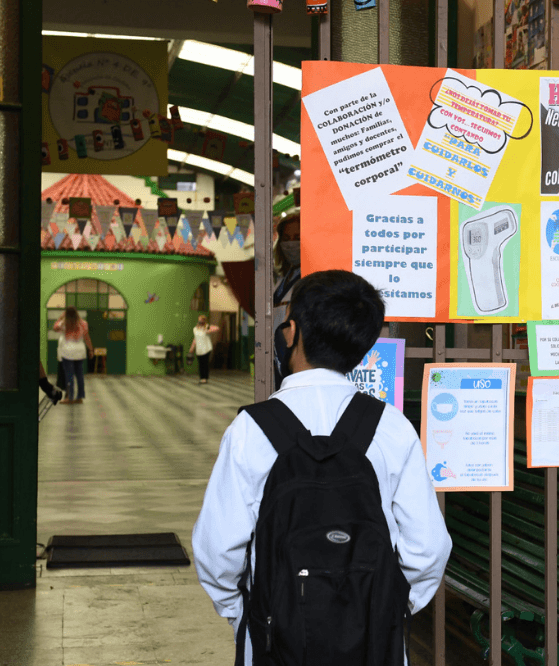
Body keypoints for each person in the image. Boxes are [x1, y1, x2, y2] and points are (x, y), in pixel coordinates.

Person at [192, 270, 451, 664]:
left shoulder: (252, 429)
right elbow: (429, 549)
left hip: (273, 639)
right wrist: (384, 610)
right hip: (375, 645)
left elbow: (217, 549)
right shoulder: (391, 426)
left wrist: (246, 614)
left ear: (291, 332)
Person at [271, 208, 301, 390]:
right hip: (277, 354)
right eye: (286, 238)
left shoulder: (312, 278)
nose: (291, 244)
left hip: (294, 358)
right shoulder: (285, 277)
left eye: (297, 237)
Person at [53, 306, 93, 403]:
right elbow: (87, 337)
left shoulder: (64, 323)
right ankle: (80, 397)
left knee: (69, 375)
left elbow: (55, 328)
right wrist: (91, 349)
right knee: (80, 375)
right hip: (80, 351)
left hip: (68, 352)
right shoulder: (83, 323)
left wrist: (61, 318)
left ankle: (69, 397)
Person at [189, 314, 221, 384]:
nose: (200, 322)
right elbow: (195, 339)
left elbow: (217, 328)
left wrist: (208, 329)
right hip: (199, 349)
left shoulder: (207, 327)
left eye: (202, 320)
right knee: (200, 364)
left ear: (204, 321)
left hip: (206, 348)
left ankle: (205, 378)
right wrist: (192, 348)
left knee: (205, 363)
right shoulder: (195, 329)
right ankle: (201, 377)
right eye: (199, 320)